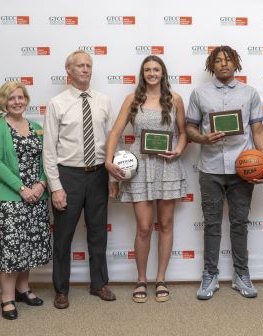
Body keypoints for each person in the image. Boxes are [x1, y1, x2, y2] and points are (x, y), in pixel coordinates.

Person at [186, 45, 263, 300]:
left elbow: (257, 131)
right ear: (211, 65)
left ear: (236, 63)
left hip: (242, 170)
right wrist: (203, 138)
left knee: (239, 223)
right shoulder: (199, 93)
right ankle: (209, 275)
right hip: (210, 169)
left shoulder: (250, 93)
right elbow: (190, 128)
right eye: (218, 61)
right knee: (212, 224)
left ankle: (241, 274)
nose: (223, 64)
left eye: (228, 60)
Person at [105, 55, 187, 303]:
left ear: (163, 73)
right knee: (143, 227)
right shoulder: (133, 99)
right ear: (142, 74)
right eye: (147, 70)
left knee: (167, 225)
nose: (152, 73)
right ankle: (141, 279)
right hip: (139, 167)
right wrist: (109, 163)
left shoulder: (175, 99)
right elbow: (116, 132)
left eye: (156, 69)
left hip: (168, 165)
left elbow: (183, 133)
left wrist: (179, 150)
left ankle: (160, 278)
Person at [43, 50, 116, 309]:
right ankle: (61, 290)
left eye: (89, 65)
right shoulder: (57, 103)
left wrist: (112, 178)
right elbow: (49, 151)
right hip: (68, 175)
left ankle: (99, 284)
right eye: (80, 66)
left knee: (98, 233)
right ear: (69, 72)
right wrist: (56, 187)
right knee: (63, 236)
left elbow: (109, 143)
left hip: (98, 174)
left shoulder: (103, 101)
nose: (85, 70)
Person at [0, 81, 52, 319]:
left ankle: (24, 290)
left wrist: (41, 184)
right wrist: (22, 188)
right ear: (4, 101)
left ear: (26, 100)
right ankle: (7, 298)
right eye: (11, 98)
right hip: (7, 199)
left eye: (21, 97)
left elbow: (46, 159)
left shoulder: (35, 127)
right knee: (10, 249)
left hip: (35, 196)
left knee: (28, 246)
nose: (17, 102)